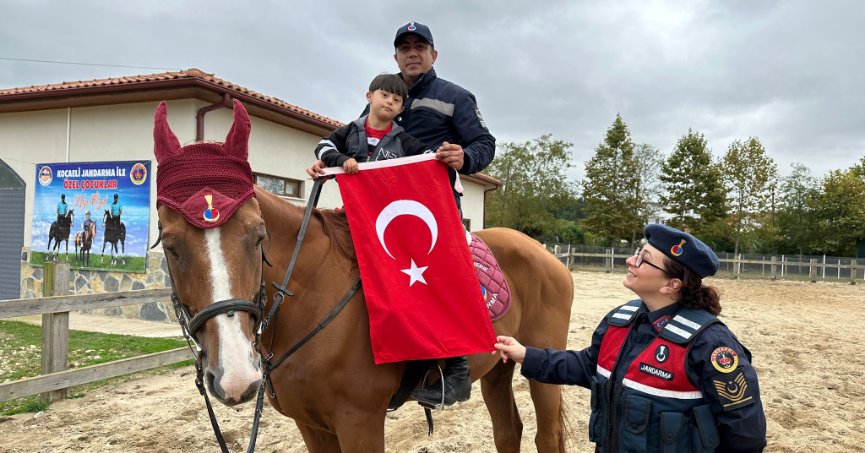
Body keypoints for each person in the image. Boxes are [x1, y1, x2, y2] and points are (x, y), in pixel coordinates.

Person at [307, 21, 496, 408]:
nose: (412, 53)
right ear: (395, 55)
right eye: (404, 47)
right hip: (375, 213)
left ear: (433, 55)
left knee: (444, 271)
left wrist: (465, 157)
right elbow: (356, 146)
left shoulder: (456, 96)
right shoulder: (380, 95)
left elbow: (484, 143)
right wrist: (330, 166)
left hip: (431, 211)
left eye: (420, 47)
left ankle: (456, 369)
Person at [494, 224, 767, 452]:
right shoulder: (620, 322)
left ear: (671, 285)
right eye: (637, 253)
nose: (630, 261)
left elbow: (745, 434)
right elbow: (588, 366)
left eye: (643, 259)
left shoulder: (711, 345)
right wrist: (527, 355)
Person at [313, 73, 430, 173]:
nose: (389, 101)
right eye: (385, 95)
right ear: (370, 96)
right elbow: (323, 146)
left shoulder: (404, 140)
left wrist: (444, 155)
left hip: (389, 199)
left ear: (401, 109)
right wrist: (341, 160)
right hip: (352, 197)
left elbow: (429, 157)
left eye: (396, 100)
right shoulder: (350, 130)